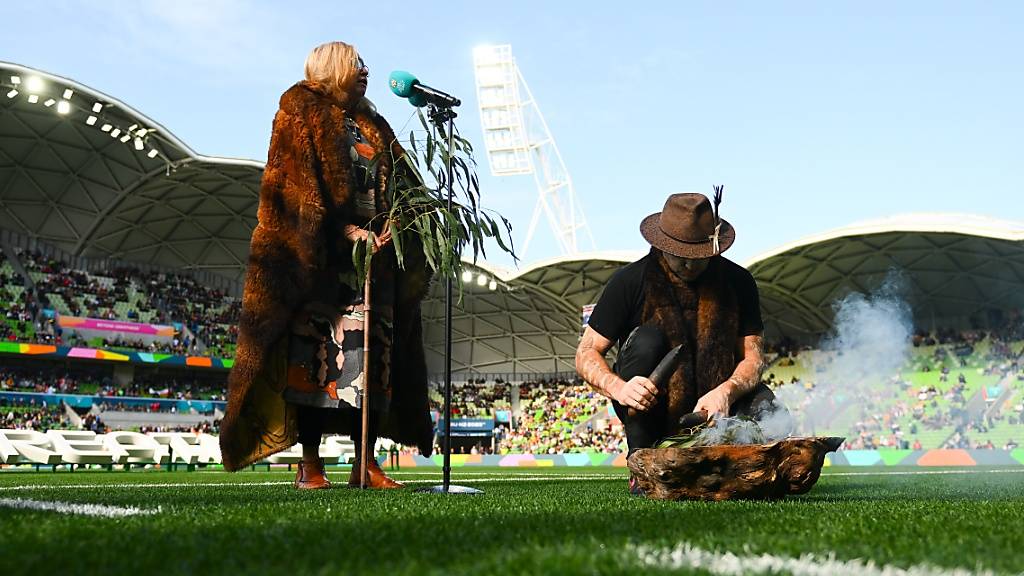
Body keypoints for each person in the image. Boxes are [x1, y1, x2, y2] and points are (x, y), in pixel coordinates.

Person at [219, 41, 434, 489]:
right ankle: (310, 463)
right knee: (315, 364)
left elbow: (405, 185)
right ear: (333, 67)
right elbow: (292, 191)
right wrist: (344, 232)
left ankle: (365, 462)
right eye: (357, 63)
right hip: (320, 263)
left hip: (376, 262)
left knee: (374, 362)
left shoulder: (374, 124)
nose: (365, 70)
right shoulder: (299, 111)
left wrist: (398, 222)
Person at [575, 191, 780, 491]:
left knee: (773, 415)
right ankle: (642, 460)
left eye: (697, 256)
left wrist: (725, 392)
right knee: (646, 340)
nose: (689, 265)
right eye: (680, 256)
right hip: (652, 406)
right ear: (662, 245)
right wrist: (620, 388)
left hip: (718, 408)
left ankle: (733, 465)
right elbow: (586, 352)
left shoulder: (739, 282)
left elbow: (754, 358)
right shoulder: (629, 281)